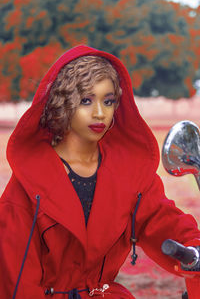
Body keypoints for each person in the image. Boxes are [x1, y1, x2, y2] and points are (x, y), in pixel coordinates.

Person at [0, 45, 200, 299]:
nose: (99, 113)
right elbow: (16, 279)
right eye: (86, 100)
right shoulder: (28, 184)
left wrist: (194, 244)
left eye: (108, 101)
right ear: (63, 102)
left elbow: (160, 219)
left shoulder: (129, 173)